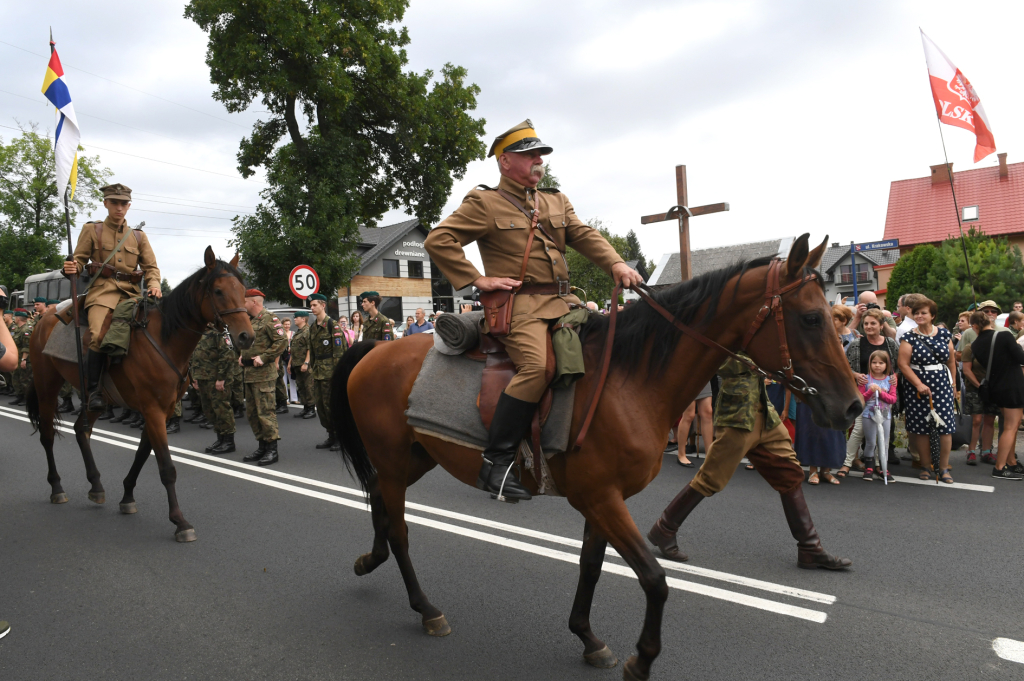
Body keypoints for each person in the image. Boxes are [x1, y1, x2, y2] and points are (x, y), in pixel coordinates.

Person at [425, 119, 641, 501]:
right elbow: (439, 240)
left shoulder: (554, 199)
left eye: (541, 154)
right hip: (520, 305)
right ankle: (497, 460)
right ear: (505, 161)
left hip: (565, 301)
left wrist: (617, 264)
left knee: (609, 348)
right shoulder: (484, 202)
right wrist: (478, 278)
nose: (538, 160)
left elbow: (584, 234)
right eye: (529, 155)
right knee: (538, 367)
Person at [646, 354, 851, 570]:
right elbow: (716, 362)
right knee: (710, 478)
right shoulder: (729, 324)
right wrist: (761, 364)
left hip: (766, 415)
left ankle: (810, 548)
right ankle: (664, 528)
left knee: (790, 474)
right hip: (738, 417)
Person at [63, 183, 162, 412]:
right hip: (102, 291)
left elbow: (151, 267)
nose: (119, 207)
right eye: (114, 203)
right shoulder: (92, 230)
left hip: (132, 294)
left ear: (129, 206)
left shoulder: (138, 236)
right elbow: (79, 260)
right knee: (97, 335)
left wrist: (154, 284)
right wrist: (71, 267)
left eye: (123, 203)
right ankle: (93, 391)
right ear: (106, 203)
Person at [897, 296, 958, 484]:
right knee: (921, 427)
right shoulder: (909, 336)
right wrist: (918, 384)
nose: (919, 315)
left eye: (923, 312)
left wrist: (953, 385)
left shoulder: (944, 334)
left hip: (942, 383)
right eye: (916, 313)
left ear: (932, 315)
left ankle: (943, 467)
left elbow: (951, 361)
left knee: (945, 427)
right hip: (918, 385)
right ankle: (924, 465)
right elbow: (903, 364)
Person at [838, 309, 900, 478]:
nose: (869, 327)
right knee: (858, 430)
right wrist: (857, 376)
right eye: (866, 324)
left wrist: (894, 377)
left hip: (884, 393)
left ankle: (880, 465)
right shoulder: (857, 344)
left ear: (881, 325)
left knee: (884, 430)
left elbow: (898, 365)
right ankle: (847, 462)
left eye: (873, 323)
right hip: (863, 393)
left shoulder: (890, 343)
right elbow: (845, 366)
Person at [967, 310, 1024, 480]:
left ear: (975, 326)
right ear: (990, 322)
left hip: (996, 387)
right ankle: (1000, 467)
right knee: (1011, 427)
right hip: (1013, 385)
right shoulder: (1004, 336)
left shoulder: (975, 345)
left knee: (1008, 426)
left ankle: (1012, 462)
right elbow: (1021, 357)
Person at [239, 289, 287, 466]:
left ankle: (272, 449)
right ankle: (262, 446)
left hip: (264, 374)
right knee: (252, 414)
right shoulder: (250, 321)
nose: (242, 304)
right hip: (249, 374)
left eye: (244, 301)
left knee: (266, 412)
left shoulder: (269, 318)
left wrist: (265, 357)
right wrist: (242, 356)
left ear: (253, 302)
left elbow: (282, 341)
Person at [306, 293, 348, 450]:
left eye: (315, 305)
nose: (312, 308)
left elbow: (339, 351)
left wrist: (338, 375)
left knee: (332, 405)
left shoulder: (333, 325)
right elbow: (313, 351)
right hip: (318, 372)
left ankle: (340, 437)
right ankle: (331, 434)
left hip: (330, 372)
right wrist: (312, 370)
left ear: (323, 305)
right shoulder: (313, 327)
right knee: (322, 407)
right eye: (311, 306)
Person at [192, 324, 237, 454]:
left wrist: (221, 378)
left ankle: (228, 441)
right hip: (203, 377)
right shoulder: (200, 332)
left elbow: (227, 355)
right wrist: (195, 377)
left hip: (216, 378)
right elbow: (195, 356)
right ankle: (220, 438)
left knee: (222, 409)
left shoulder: (219, 332)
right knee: (209, 410)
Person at [961, 318, 999, 467]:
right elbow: (966, 370)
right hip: (975, 388)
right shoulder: (970, 348)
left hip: (992, 388)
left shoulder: (995, 348)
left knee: (989, 420)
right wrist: (979, 386)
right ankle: (971, 450)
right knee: (976, 420)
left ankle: (986, 451)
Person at [859, 351, 897, 482]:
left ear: (887, 365)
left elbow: (892, 399)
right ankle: (869, 467)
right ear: (870, 364)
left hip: (885, 415)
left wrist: (880, 393)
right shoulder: (865, 379)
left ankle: (883, 467)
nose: (877, 365)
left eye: (881, 363)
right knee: (870, 442)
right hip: (868, 414)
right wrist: (870, 391)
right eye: (874, 362)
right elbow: (861, 398)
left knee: (884, 442)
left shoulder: (890, 380)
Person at [288, 310, 316, 419]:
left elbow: (309, 349)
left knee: (309, 387)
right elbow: (293, 350)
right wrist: (290, 363)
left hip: (305, 365)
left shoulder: (307, 331)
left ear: (303, 319)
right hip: (297, 364)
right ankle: (305, 407)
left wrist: (306, 363)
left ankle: (311, 409)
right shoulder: (298, 332)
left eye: (296, 317)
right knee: (301, 386)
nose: (294, 319)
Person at [8, 310, 30, 405]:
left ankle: (27, 397)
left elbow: (26, 346)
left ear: (18, 318)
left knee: (25, 378)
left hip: (24, 357)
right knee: (16, 377)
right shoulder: (16, 329)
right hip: (17, 357)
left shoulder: (26, 330)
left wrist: (23, 359)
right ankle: (20, 396)